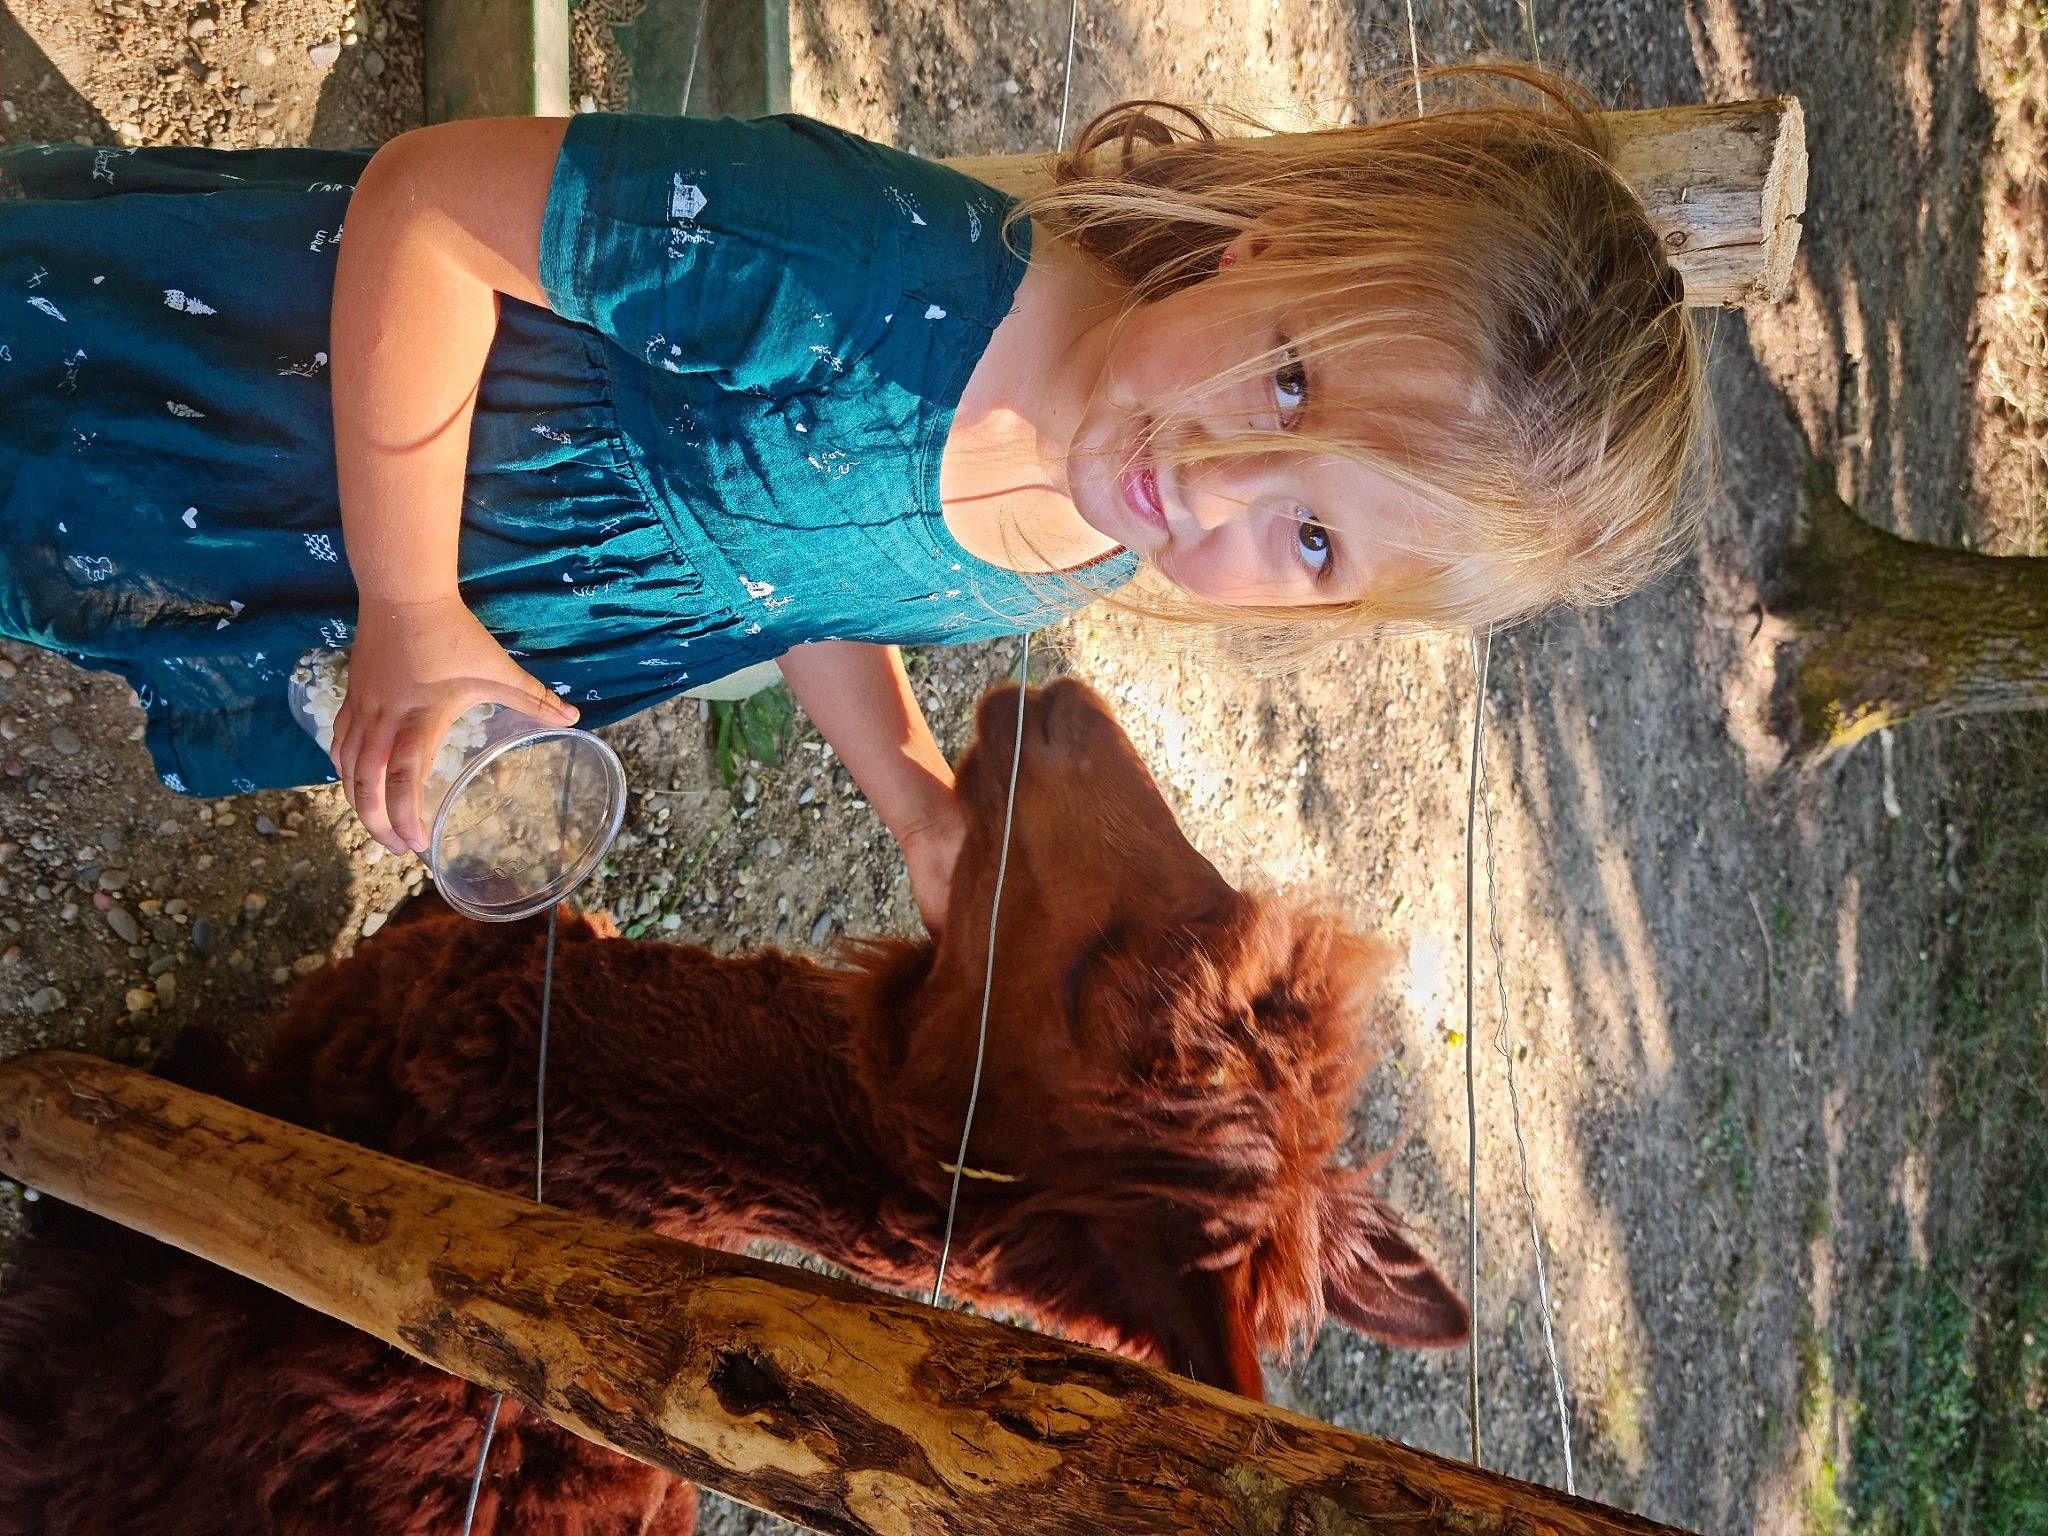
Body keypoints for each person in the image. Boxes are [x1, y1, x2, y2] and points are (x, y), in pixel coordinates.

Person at [0, 65, 1702, 932]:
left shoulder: (1077, 548)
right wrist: (414, 603)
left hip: (367, 577)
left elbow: (806, 589)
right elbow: (430, 210)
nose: (1214, 482)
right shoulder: (863, 276)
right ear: (1263, 252)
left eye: (1313, 537)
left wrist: (913, 803)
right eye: (1288, 382)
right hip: (283, 394)